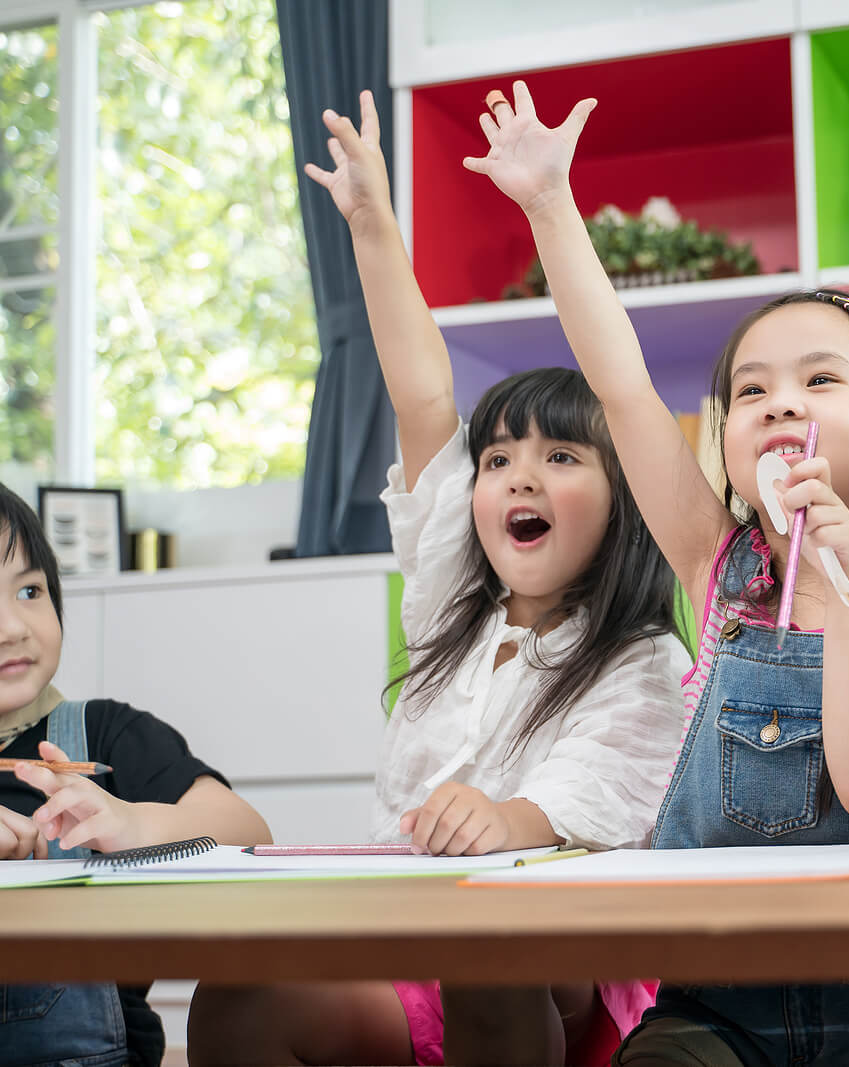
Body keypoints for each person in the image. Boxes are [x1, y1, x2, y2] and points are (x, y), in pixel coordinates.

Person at [465, 81, 849, 1064]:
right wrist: (548, 206)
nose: (779, 403)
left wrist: (832, 581)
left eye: (820, 380)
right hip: (714, 1004)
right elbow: (619, 383)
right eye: (752, 390)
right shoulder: (722, 565)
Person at [185, 90, 691, 1067]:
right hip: (410, 936)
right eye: (499, 460)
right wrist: (373, 225)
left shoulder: (640, 661)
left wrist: (504, 819)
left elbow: (576, 811)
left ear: (627, 501)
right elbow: (423, 394)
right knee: (240, 995)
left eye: (560, 459)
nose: (518, 477)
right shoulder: (453, 597)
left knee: (491, 959)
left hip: (556, 963)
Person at [0, 482, 271, 1067]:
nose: (11, 627)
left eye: (29, 590)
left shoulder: (105, 733)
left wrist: (135, 823)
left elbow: (250, 834)